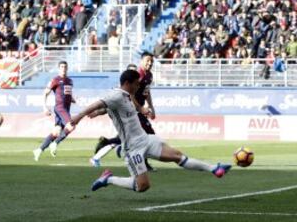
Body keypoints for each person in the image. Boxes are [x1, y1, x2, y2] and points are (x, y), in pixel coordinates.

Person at [70, 69, 231, 192]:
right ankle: (108, 179)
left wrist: (99, 113)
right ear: (128, 82)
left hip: (145, 139)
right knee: (142, 186)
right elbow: (98, 104)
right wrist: (79, 117)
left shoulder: (126, 96)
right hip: (133, 148)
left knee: (177, 156)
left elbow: (110, 109)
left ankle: (214, 168)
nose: (139, 86)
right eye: (136, 83)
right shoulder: (116, 95)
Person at [90, 52, 157, 170]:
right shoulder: (138, 75)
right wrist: (140, 108)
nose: (150, 63)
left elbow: (147, 92)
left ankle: (109, 146)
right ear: (141, 61)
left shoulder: (149, 76)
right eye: (147, 60)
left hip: (137, 110)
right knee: (146, 135)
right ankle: (140, 161)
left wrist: (151, 107)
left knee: (136, 136)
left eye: (151, 61)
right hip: (131, 110)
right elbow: (129, 95)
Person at [33, 61, 75, 161]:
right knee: (72, 126)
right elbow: (45, 93)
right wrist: (44, 107)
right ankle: (55, 143)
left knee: (56, 132)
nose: (63, 68)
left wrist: (72, 99)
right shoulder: (55, 80)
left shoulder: (70, 81)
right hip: (60, 108)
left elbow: (68, 93)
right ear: (58, 68)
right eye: (61, 67)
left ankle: (39, 150)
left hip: (66, 109)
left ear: (67, 68)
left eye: (65, 66)